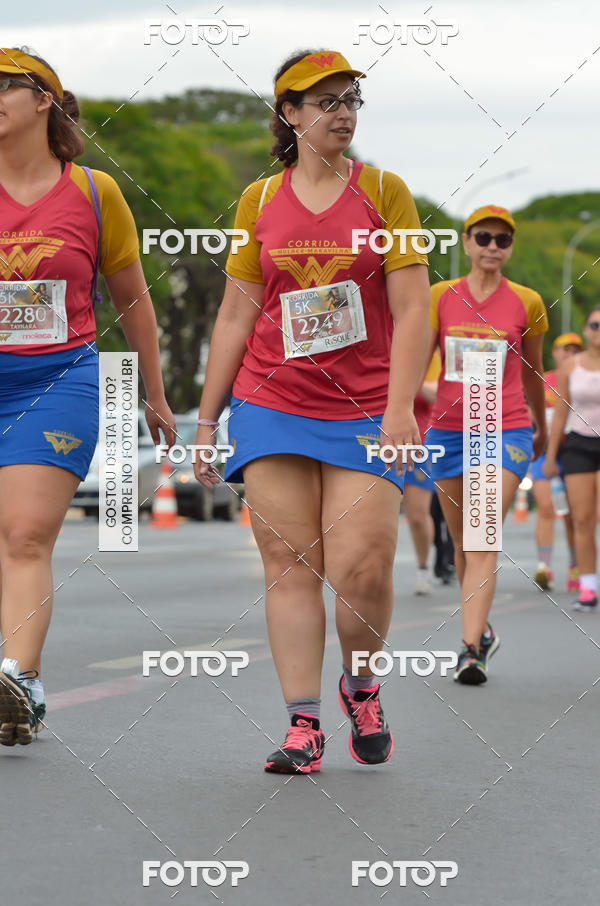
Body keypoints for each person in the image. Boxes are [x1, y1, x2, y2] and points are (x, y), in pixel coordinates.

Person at [194, 49, 430, 772]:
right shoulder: (260, 202)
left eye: (351, 99)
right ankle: (304, 725)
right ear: (289, 114)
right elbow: (237, 315)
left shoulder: (386, 191)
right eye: (324, 101)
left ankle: (361, 684)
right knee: (289, 565)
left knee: (362, 567)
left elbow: (414, 306)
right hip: (272, 402)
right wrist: (206, 422)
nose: (342, 113)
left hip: (364, 409)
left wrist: (398, 409)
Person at [0, 47, 175, 746]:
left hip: (58, 380)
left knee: (25, 533)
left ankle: (17, 674)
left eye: (5, 85)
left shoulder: (96, 193)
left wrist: (156, 398)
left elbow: (134, 305)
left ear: (44, 100)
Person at [424, 205, 548, 684]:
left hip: (504, 429)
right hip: (449, 433)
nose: (493, 247)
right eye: (484, 238)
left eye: (502, 240)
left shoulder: (528, 302)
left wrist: (538, 422)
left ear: (510, 247)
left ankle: (470, 650)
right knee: (463, 544)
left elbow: (533, 372)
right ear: (467, 242)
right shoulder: (439, 296)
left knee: (482, 534)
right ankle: (483, 630)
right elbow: (418, 360)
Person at [544, 307, 600, 611]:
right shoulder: (571, 367)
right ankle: (588, 587)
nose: (598, 331)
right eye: (594, 325)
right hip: (577, 444)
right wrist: (551, 456)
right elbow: (561, 412)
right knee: (581, 519)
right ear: (586, 329)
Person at [529, 333, 582, 591]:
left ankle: (575, 566)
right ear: (555, 351)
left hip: (572, 451)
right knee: (546, 507)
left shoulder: (584, 380)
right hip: (544, 451)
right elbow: (530, 409)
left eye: (575, 349)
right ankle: (544, 567)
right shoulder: (544, 379)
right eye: (565, 348)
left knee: (573, 513)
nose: (569, 353)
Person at [404, 352, 441, 595]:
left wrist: (406, 380)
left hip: (419, 441)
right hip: (375, 438)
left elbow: (438, 395)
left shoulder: (429, 350)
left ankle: (423, 569)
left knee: (417, 515)